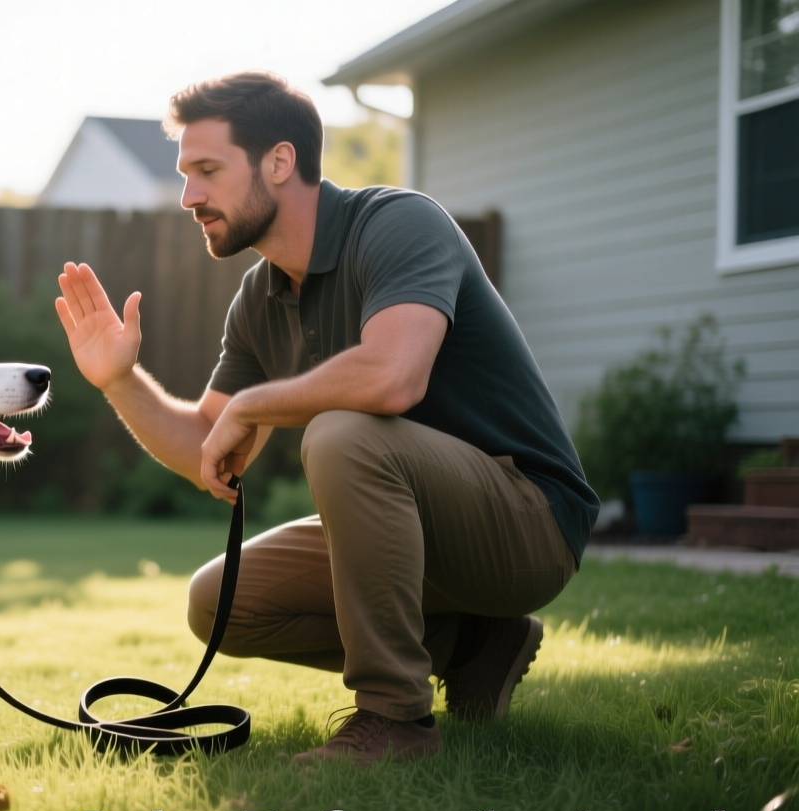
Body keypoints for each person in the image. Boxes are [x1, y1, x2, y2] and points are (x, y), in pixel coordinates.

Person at [52, 70, 597, 766]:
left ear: (280, 161)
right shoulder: (260, 297)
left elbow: (393, 376)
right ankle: (476, 645)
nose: (189, 196)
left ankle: (395, 720)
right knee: (218, 601)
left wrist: (254, 402)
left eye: (208, 171)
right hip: (423, 533)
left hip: (527, 521)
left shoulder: (398, 224)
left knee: (342, 433)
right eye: (186, 175)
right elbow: (206, 449)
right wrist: (119, 380)